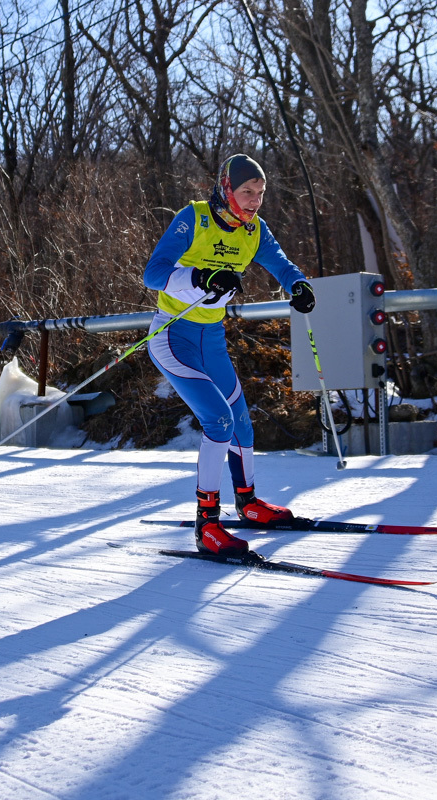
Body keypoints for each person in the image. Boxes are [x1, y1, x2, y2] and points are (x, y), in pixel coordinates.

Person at [143, 154, 317, 556]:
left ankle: (249, 504)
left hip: (212, 339)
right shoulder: (196, 218)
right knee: (218, 421)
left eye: (260, 193)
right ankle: (208, 524)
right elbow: (154, 273)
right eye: (246, 192)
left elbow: (282, 264)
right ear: (227, 189)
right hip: (174, 337)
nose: (254, 200)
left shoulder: (255, 230)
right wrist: (200, 276)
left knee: (240, 422)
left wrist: (299, 285)